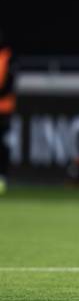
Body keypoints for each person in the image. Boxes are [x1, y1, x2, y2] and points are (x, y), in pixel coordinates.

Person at [0, 31, 16, 195]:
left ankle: (2, 176)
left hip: (3, 108)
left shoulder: (8, 56)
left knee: (2, 143)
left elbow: (9, 83)